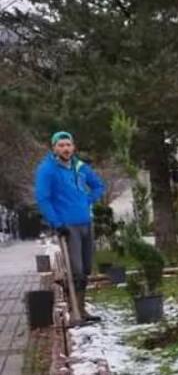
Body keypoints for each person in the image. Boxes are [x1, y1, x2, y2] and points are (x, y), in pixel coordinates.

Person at [34, 130, 105, 321]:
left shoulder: (80, 167)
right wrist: (57, 223)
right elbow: (43, 198)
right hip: (67, 225)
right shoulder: (47, 170)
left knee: (86, 268)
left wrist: (87, 200)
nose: (65, 149)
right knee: (76, 269)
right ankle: (74, 311)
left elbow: (99, 185)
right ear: (54, 148)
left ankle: (81, 309)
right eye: (61, 145)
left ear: (73, 147)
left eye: (68, 145)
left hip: (85, 223)